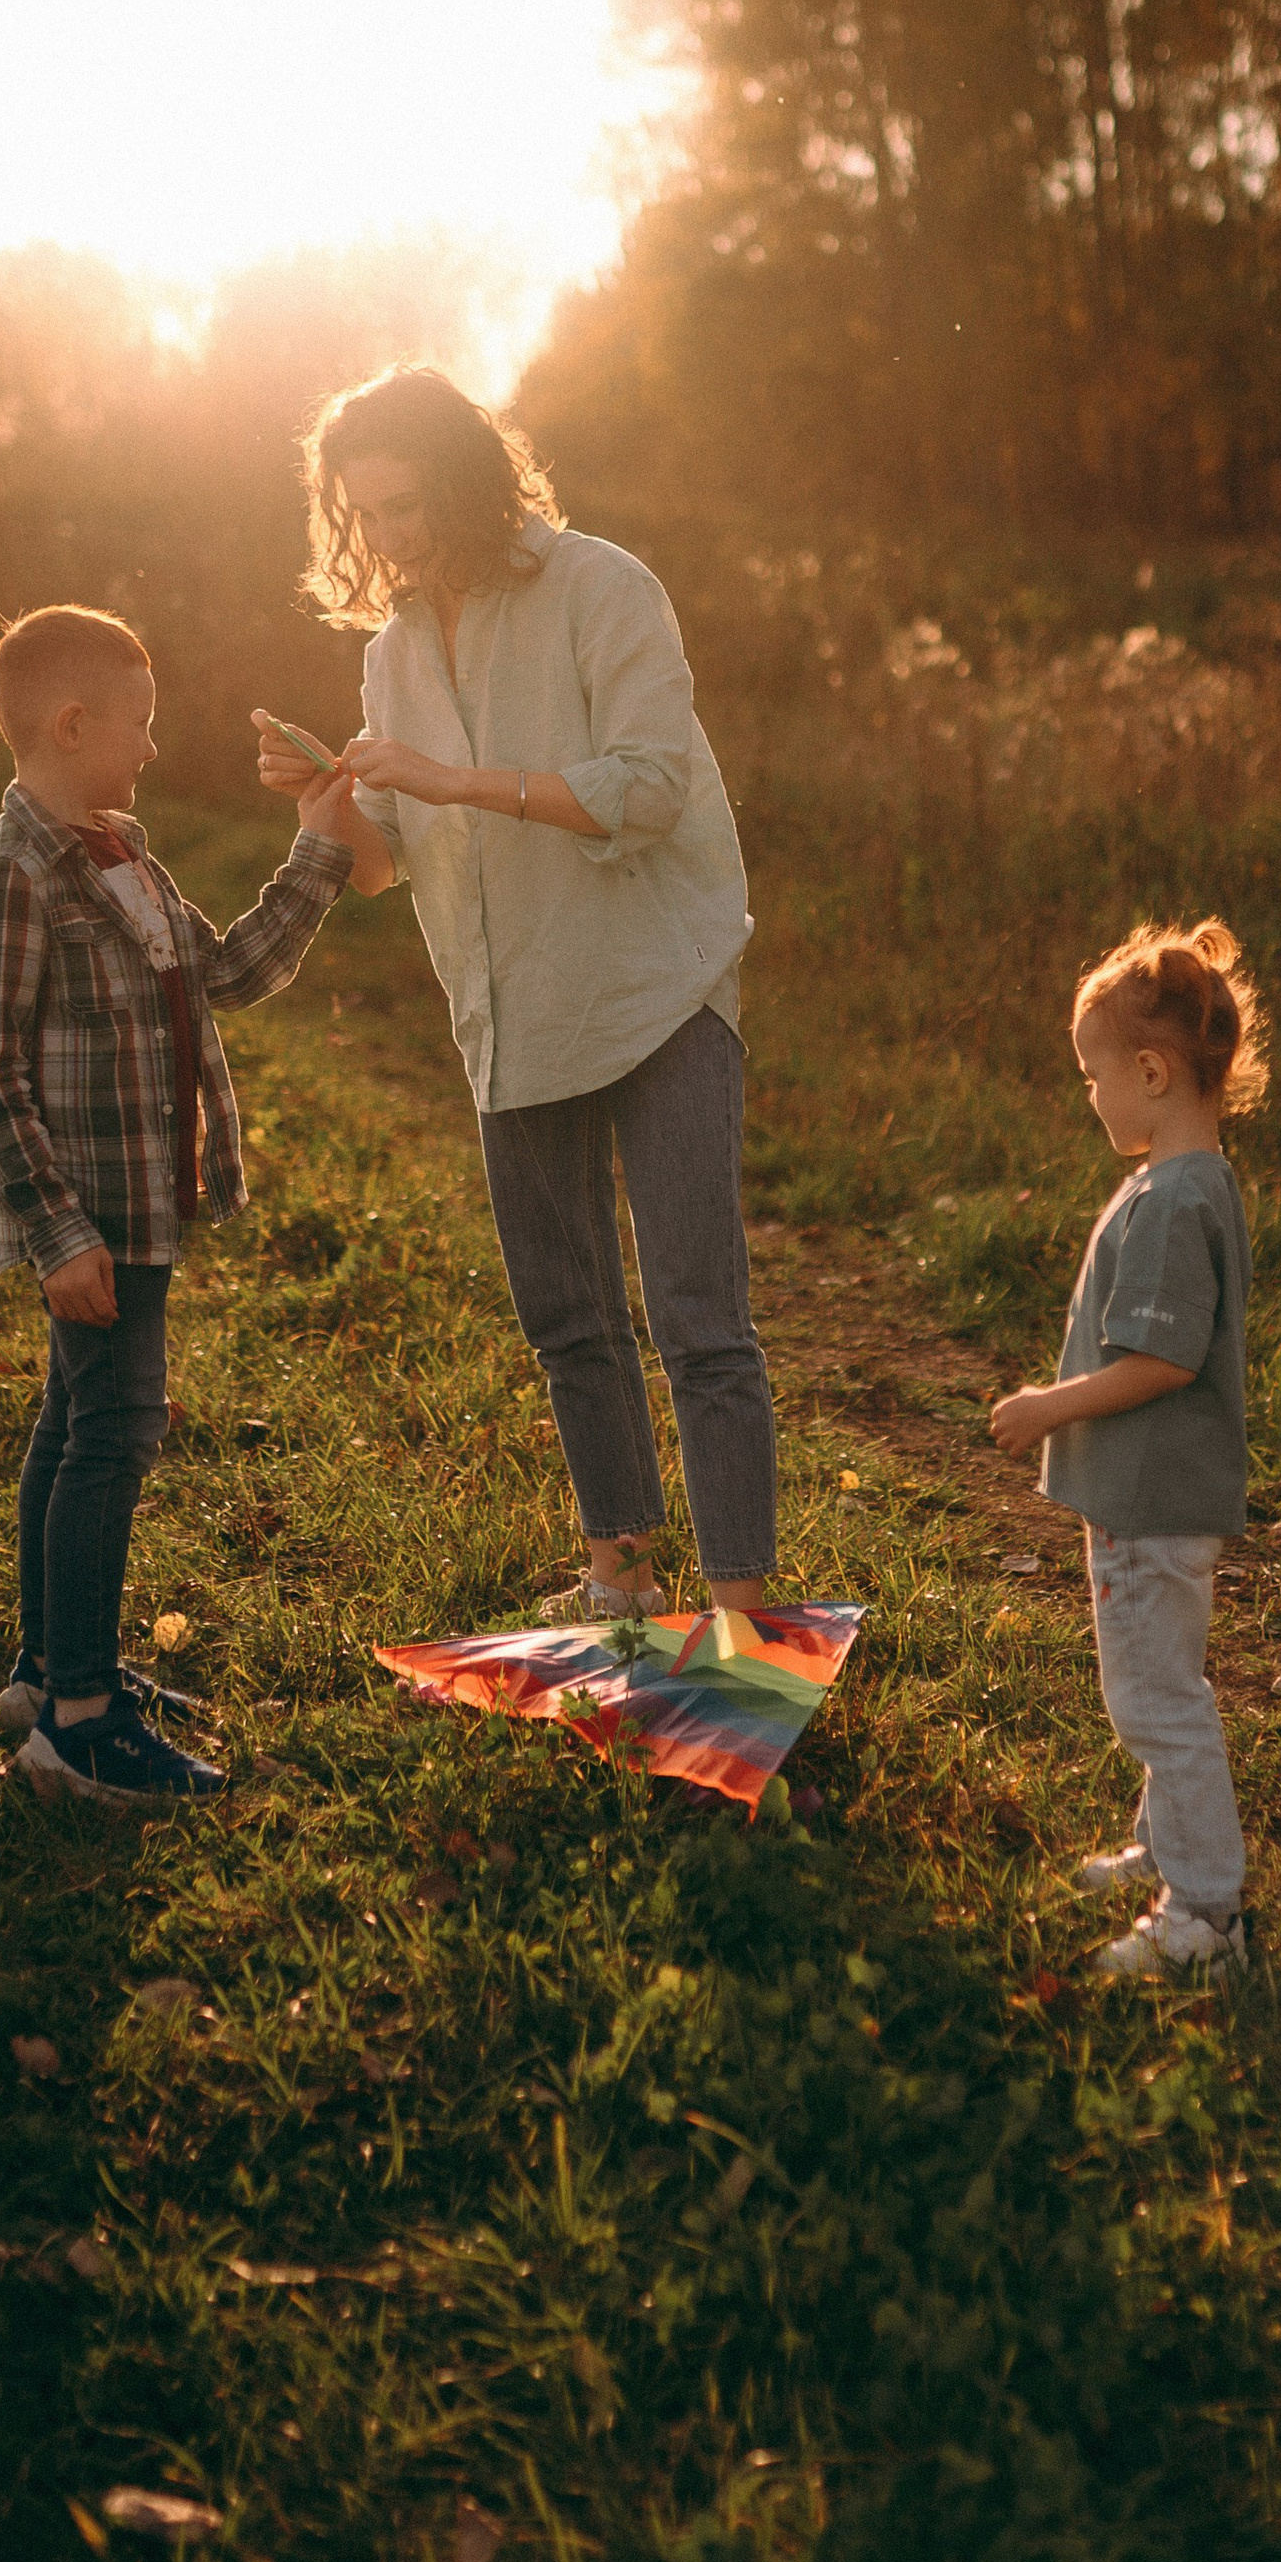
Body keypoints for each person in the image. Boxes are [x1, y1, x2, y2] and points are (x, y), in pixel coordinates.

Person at [266, 366, 777, 1623]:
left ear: (466, 480)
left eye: (406, 503)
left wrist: (459, 779)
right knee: (569, 1318)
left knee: (698, 1318)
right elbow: (384, 862)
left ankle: (743, 1618)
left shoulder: (603, 586)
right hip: (513, 1007)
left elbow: (649, 785)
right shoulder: (391, 652)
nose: (389, 535)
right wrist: (327, 805)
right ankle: (620, 1581)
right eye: (366, 512)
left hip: (653, 985)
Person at [0, 602, 360, 1806]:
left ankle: (46, 1672)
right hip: (92, 1219)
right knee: (116, 1429)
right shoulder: (12, 874)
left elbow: (226, 972)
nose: (152, 745)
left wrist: (316, 847)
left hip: (142, 1204)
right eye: (139, 722)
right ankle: (80, 1725)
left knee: (71, 1421)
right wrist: (56, 1231)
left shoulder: (124, 856)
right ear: (73, 724)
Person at [990, 919, 1264, 1978]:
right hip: (1157, 1497)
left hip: (1151, 1504)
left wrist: (1048, 1407)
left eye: (1093, 1076)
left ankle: (1205, 1914)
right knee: (1161, 1678)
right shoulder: (1196, 1180)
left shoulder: (1170, 1200)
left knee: (1154, 1699)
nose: (1091, 1096)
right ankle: (1166, 1842)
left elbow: (1162, 1361)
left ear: (1150, 1072)